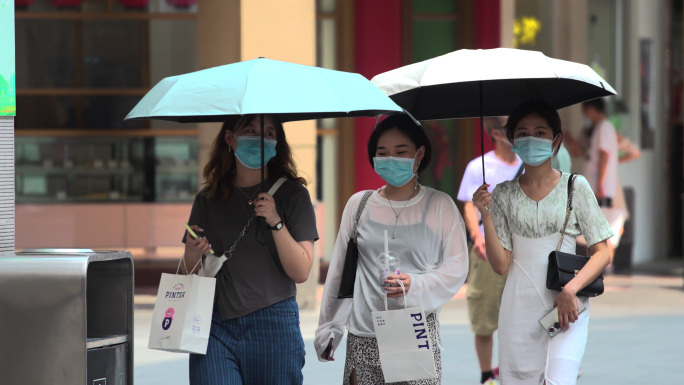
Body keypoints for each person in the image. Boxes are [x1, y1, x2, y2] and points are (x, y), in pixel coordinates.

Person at [315, 114, 468, 385]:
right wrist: (330, 327)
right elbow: (340, 271)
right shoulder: (358, 205)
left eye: (400, 152)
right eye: (382, 153)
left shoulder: (439, 205)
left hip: (415, 331)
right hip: (364, 333)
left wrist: (416, 285)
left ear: (419, 153)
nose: (391, 159)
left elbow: (457, 267)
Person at [472, 101, 612, 384]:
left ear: (556, 139)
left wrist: (571, 289)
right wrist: (485, 215)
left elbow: (602, 253)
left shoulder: (576, 186)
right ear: (511, 140)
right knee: (521, 378)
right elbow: (501, 265)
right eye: (522, 133)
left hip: (567, 305)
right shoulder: (503, 193)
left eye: (540, 132)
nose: (530, 138)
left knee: (560, 378)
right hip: (519, 305)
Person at [182, 114, 318, 385]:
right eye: (251, 131)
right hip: (214, 323)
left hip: (274, 323)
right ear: (230, 138)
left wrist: (275, 221)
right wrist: (195, 251)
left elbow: (301, 271)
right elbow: (188, 270)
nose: (260, 139)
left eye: (268, 133)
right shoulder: (207, 199)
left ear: (277, 143)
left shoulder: (293, 195)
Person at [456, 116, 522, 385]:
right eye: (512, 129)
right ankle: (486, 376)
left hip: (523, 252)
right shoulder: (478, 167)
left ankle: (515, 372)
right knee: (484, 314)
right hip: (487, 250)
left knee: (521, 316)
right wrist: (477, 237)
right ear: (495, 133)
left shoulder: (530, 165)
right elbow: (469, 204)